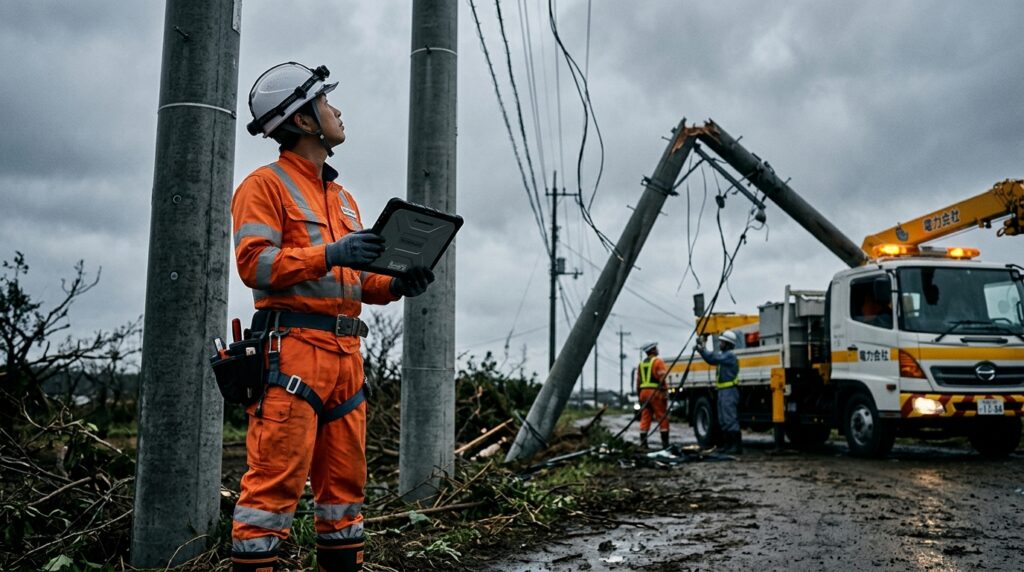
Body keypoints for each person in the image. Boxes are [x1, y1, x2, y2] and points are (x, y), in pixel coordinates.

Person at [230, 62, 435, 572]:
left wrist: (396, 283)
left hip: (347, 358)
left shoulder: (342, 197)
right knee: (271, 490)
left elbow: (357, 280)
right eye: (326, 102)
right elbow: (254, 264)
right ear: (302, 121)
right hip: (292, 355)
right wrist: (332, 254)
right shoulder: (264, 186)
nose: (337, 110)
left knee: (344, 494)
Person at [696, 330, 742, 454]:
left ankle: (735, 446)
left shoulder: (729, 356)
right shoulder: (725, 355)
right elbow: (712, 358)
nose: (720, 343)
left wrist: (701, 349)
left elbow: (712, 358)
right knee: (723, 419)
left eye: (722, 342)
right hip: (723, 391)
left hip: (729, 391)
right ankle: (728, 445)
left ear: (727, 344)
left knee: (729, 418)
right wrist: (702, 348)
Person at [636, 341, 670, 449]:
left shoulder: (641, 364)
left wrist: (639, 396)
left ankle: (643, 444)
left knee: (645, 417)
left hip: (643, 393)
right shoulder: (658, 362)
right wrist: (665, 391)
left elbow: (638, 382)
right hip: (655, 393)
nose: (657, 349)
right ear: (652, 350)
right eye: (655, 348)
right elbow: (662, 378)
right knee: (662, 416)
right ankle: (665, 445)